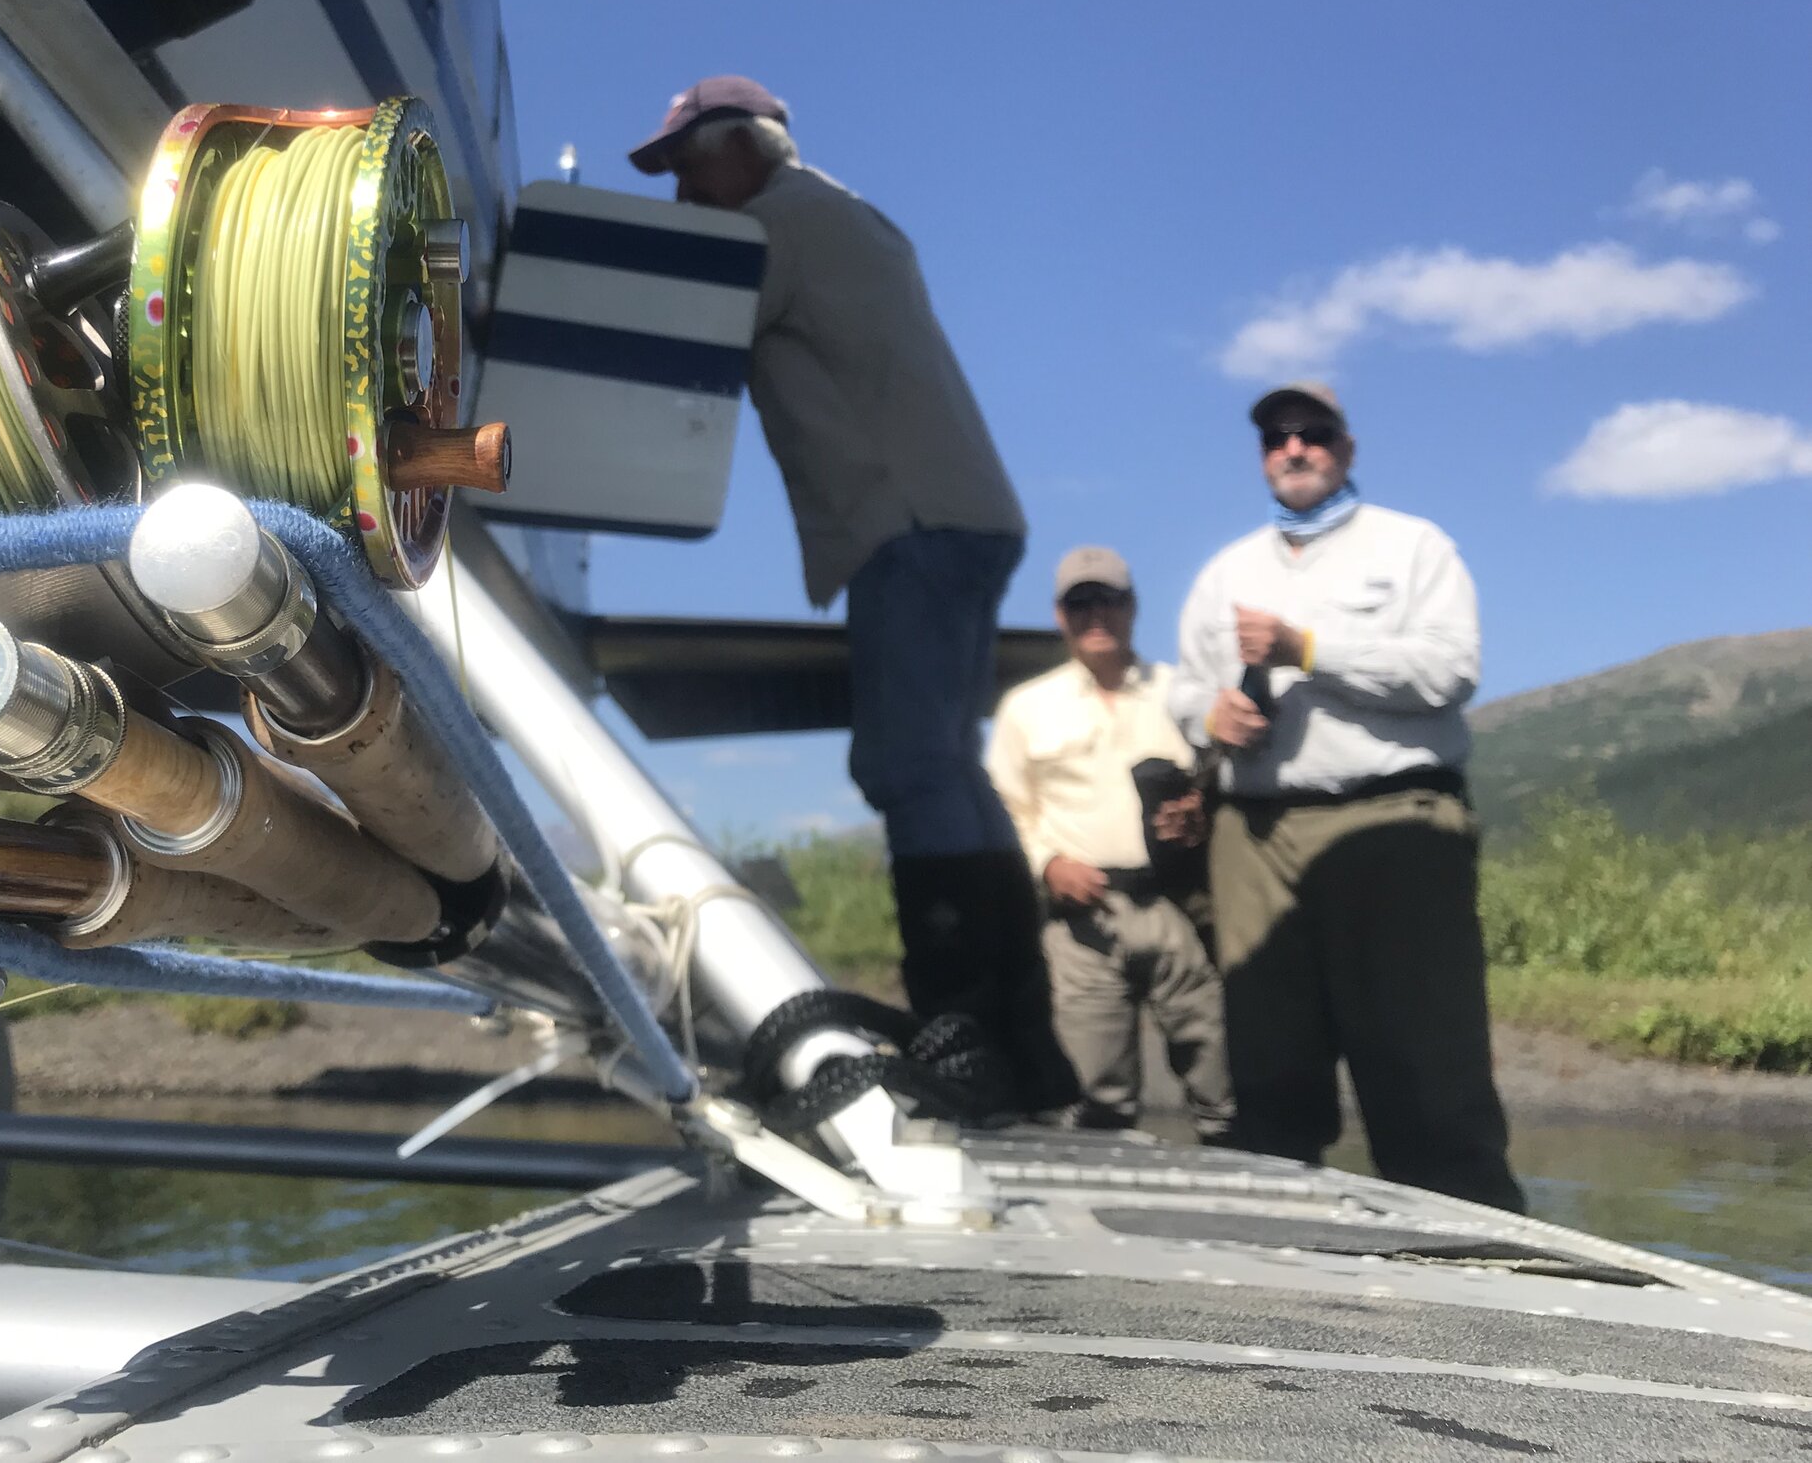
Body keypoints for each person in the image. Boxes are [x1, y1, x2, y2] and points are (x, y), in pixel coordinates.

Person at [628, 76, 1076, 1112]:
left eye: (687, 169)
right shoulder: (842, 214)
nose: (681, 197)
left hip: (906, 525)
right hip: (961, 513)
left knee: (905, 763)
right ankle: (1021, 1045)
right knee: (946, 770)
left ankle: (968, 1035)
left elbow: (677, 322)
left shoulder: (778, 224)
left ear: (746, 148)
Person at [1169, 381, 1523, 1210]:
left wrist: (1309, 645)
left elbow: (1449, 671)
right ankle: (1281, 1246)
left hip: (1394, 819)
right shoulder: (1225, 572)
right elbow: (1186, 694)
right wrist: (1209, 715)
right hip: (1254, 833)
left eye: (1313, 433)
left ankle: (1474, 1242)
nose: (1294, 448)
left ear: (1347, 448)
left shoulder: (1413, 547)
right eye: (1276, 437)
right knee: (1268, 1057)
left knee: (1423, 1054)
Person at [987, 547, 1234, 1141]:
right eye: (1080, 603)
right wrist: (1048, 865)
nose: (1095, 614)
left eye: (1108, 600)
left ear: (1132, 607)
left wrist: (1203, 812)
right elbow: (1004, 811)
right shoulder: (1025, 708)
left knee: (1223, 1082)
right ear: (1059, 615)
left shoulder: (1181, 694)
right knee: (1095, 1096)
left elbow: (1225, 778)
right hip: (1080, 920)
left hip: (1178, 906)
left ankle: (1250, 1196)